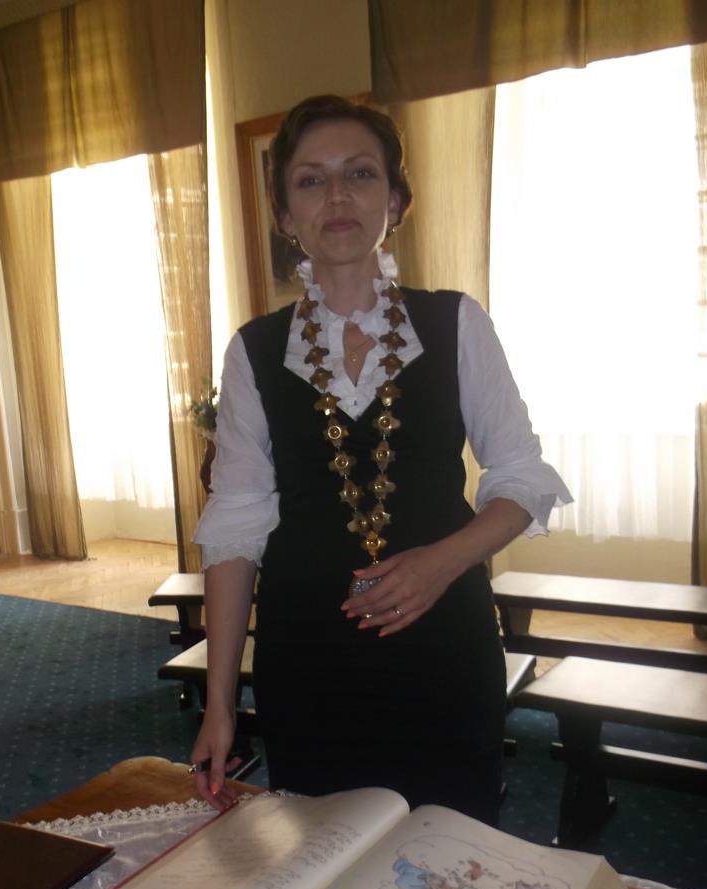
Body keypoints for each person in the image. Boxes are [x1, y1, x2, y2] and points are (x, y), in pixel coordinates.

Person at [191, 96, 571, 824]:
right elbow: (234, 532)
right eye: (311, 180)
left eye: (360, 174)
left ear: (395, 201)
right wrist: (220, 704)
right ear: (284, 215)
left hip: (444, 647)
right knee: (321, 855)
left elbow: (521, 480)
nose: (337, 196)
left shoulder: (455, 322)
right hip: (308, 656)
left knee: (452, 851)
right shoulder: (255, 350)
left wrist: (440, 562)